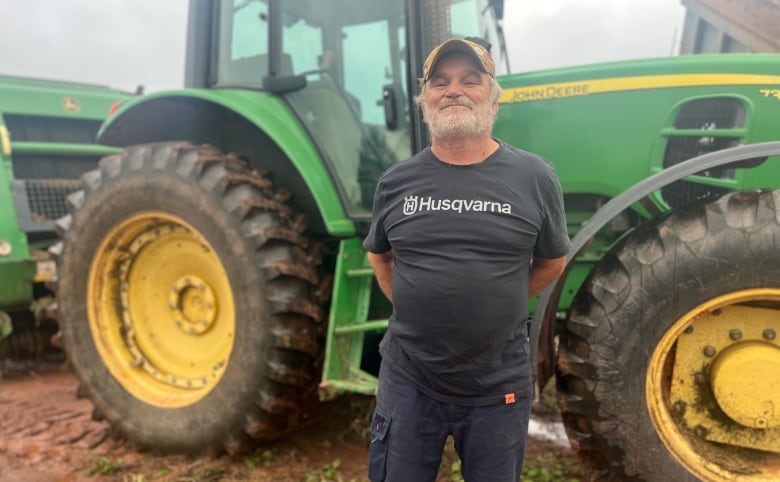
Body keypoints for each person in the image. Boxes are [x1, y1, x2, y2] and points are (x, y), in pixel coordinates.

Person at [362, 38, 571, 482]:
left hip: (498, 386)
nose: (453, 90)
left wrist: (501, 298)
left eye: (469, 80)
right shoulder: (396, 181)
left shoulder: (535, 176)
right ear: (425, 103)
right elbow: (380, 257)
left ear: (492, 100)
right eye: (440, 83)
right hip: (409, 380)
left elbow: (552, 263)